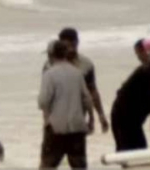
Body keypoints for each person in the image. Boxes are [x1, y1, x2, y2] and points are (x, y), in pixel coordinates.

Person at [39, 40, 94, 169]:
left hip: (56, 128)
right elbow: (87, 99)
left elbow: (43, 101)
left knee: (48, 165)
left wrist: (47, 118)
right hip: (77, 128)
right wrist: (91, 119)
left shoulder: (49, 74)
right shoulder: (77, 73)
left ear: (50, 55)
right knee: (79, 166)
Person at [44, 28, 109, 134]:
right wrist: (46, 120)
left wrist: (100, 116)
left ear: (77, 42)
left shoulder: (86, 65)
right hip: (55, 122)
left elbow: (92, 92)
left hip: (78, 120)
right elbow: (46, 98)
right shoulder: (49, 66)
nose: (71, 50)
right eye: (67, 47)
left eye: (73, 46)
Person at [111, 46, 150, 151]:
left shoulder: (149, 71)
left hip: (131, 119)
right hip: (123, 117)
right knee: (132, 153)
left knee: (139, 150)